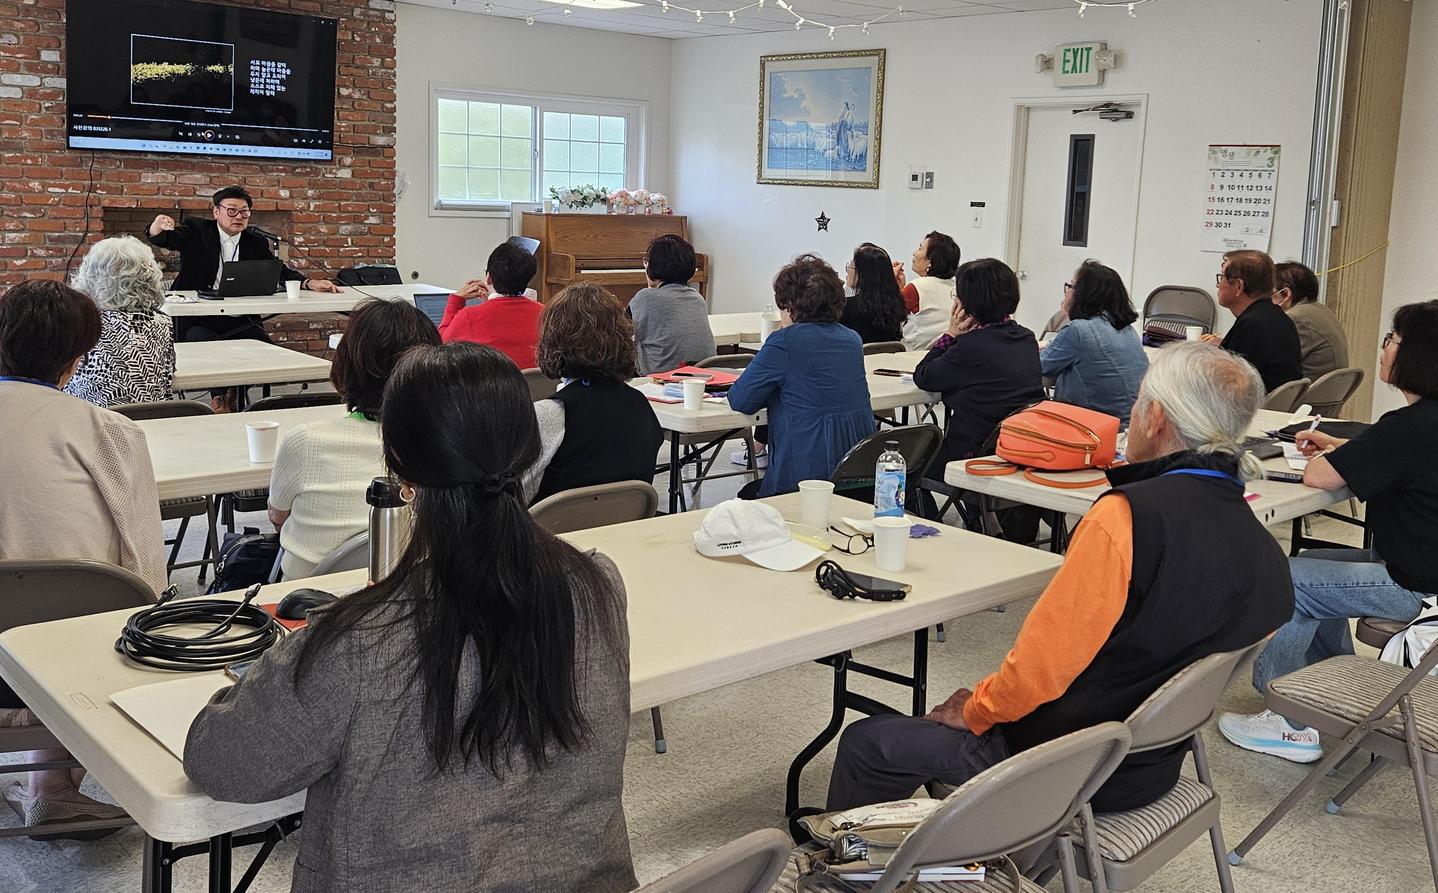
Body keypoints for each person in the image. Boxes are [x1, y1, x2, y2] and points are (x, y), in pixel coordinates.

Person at [184, 342, 637, 893]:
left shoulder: (358, 640)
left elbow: (221, 763)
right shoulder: (598, 585)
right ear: (528, 448)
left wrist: (281, 661)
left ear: (398, 466)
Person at [826, 342, 1294, 814]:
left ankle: (845, 871)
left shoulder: (1127, 520)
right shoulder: (1260, 544)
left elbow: (1038, 672)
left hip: (1062, 765)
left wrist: (975, 710)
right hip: (1148, 765)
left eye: (1135, 403)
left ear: (1155, 418)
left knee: (868, 743)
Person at [1221, 300, 1438, 763]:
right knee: (1317, 578)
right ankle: (1323, 692)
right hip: (1423, 571)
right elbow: (1394, 458)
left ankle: (1288, 719)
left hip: (1418, 587)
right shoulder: (1422, 423)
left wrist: (1326, 458)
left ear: (1418, 355)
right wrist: (1342, 447)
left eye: (1392, 340)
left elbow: (1321, 477)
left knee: (1289, 580)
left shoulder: (1410, 426)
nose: (1384, 349)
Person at [0, 279, 167, 836]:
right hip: (62, 665)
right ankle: (52, 784)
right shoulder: (108, 432)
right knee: (105, 603)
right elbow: (147, 568)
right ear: (77, 359)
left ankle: (40, 782)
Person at [267, 298, 440, 580]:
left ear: (345, 362)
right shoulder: (446, 447)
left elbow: (277, 518)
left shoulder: (304, 441)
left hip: (305, 607)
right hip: (409, 604)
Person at [727, 254, 873, 498]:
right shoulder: (852, 339)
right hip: (857, 475)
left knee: (745, 499)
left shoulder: (784, 342)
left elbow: (740, 399)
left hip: (804, 478)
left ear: (791, 307)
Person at [526, 281, 664, 504]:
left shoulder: (548, 415)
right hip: (626, 529)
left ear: (552, 341)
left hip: (555, 533)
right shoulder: (641, 405)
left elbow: (517, 496)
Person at [146, 185, 341, 343]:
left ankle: (238, 391)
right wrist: (158, 225)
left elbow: (277, 271)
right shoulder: (197, 229)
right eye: (232, 211)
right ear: (216, 211)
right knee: (204, 344)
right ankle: (221, 392)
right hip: (200, 316)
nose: (238, 216)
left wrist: (309, 283)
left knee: (265, 348)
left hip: (241, 318)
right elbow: (166, 240)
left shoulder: (254, 240)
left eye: (244, 212)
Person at [914, 258, 1045, 470]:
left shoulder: (971, 347)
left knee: (910, 465)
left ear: (967, 302)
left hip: (972, 454)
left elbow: (924, 376)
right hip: (1017, 446)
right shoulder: (1026, 338)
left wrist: (951, 333)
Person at [64, 234, 176, 408]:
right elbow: (168, 373)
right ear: (147, 276)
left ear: (91, 275)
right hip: (149, 423)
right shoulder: (162, 322)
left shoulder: (79, 321)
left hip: (89, 424)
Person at [1040, 260, 1148, 426]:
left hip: (1095, 432)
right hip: (1131, 427)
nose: (1066, 293)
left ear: (1084, 294)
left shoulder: (1077, 330)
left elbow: (1039, 365)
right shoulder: (1127, 330)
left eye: (1071, 286)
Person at [1201, 250, 1302, 391]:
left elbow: (1224, 384)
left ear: (1238, 286)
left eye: (1222, 277)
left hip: (1253, 407)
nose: (1218, 285)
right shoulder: (1275, 316)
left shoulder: (1253, 326)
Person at [439, 241, 543, 369]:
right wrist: (490, 303)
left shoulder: (469, 317)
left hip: (495, 388)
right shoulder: (544, 313)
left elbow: (442, 345)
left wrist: (456, 300)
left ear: (489, 278)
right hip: (539, 388)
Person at [628, 234, 716, 375]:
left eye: (647, 262)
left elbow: (619, 333)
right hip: (705, 373)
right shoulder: (697, 297)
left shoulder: (644, 297)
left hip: (662, 377)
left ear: (652, 266)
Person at [1274, 261, 1349, 381]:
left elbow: (1274, 364)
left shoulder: (1296, 318)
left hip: (1304, 395)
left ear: (1286, 294)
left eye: (1267, 292)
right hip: (1324, 393)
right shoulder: (1320, 309)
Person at [900, 231, 960, 351]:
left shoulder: (916, 288)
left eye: (919, 249)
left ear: (930, 259)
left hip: (915, 357)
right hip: (951, 354)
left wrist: (893, 286)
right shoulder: (960, 288)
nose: (914, 253)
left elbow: (888, 318)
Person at [841, 243, 907, 344]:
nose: (848, 271)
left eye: (851, 266)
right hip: (888, 358)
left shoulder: (848, 306)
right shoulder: (896, 305)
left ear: (862, 275)